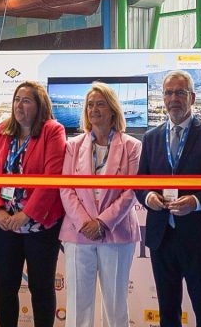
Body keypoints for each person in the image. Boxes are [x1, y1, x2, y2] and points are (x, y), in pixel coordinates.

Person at [136, 71, 201, 327]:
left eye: (180, 92)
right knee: (167, 312)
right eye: (168, 93)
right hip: (161, 237)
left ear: (192, 97)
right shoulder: (151, 138)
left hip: (198, 239)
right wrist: (149, 197)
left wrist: (195, 202)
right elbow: (140, 183)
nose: (174, 98)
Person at [0, 81, 67, 327]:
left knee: (41, 288)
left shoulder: (52, 130)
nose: (19, 105)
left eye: (26, 100)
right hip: (5, 223)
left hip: (40, 225)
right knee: (4, 287)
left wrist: (27, 214)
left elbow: (52, 177)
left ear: (40, 105)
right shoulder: (2, 131)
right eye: (17, 99)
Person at [60, 82, 142, 327]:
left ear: (113, 109)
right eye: (90, 105)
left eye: (100, 104)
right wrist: (85, 222)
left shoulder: (132, 146)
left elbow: (132, 190)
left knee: (115, 306)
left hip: (117, 232)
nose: (94, 109)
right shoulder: (73, 146)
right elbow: (66, 188)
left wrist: (103, 222)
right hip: (78, 233)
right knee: (77, 305)